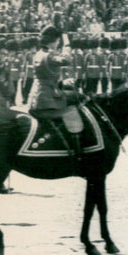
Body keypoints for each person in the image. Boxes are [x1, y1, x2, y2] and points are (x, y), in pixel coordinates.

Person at [27, 25, 85, 165]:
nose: (58, 43)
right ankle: (76, 150)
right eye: (58, 40)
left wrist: (64, 82)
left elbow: (46, 76)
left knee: (74, 96)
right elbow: (66, 60)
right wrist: (67, 42)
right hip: (46, 99)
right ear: (54, 40)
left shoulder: (40, 53)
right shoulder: (50, 54)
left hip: (40, 93)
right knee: (74, 111)